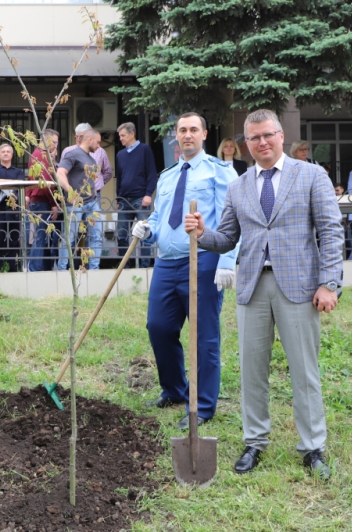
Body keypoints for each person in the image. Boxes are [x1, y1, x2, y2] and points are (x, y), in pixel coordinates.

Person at [184, 109, 343, 480]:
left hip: (301, 287)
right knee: (251, 370)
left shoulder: (310, 176)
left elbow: (331, 232)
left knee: (304, 370)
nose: (262, 143)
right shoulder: (238, 186)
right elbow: (226, 238)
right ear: (246, 143)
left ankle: (312, 447)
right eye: (254, 138)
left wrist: (329, 283)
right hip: (252, 286)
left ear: (281, 135)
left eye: (268, 135)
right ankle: (254, 441)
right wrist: (202, 233)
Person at [131, 112, 238, 429]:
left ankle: (203, 406)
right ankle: (175, 390)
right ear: (175, 136)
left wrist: (227, 262)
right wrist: (147, 229)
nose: (187, 134)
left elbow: (233, 223)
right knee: (158, 327)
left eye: (194, 129)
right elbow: (161, 217)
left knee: (203, 335)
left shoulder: (221, 172)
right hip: (166, 261)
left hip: (203, 260)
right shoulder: (167, 176)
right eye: (182, 130)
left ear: (204, 134)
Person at [61, 123, 111, 268]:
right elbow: (60, 173)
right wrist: (70, 191)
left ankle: (94, 269)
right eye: (98, 142)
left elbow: (93, 178)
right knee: (69, 238)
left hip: (91, 202)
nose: (99, 146)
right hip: (75, 203)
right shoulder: (72, 154)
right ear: (90, 139)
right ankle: (63, 270)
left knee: (97, 236)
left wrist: (94, 192)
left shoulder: (92, 159)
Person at [115, 122, 158, 268]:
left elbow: (152, 174)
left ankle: (145, 266)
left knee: (144, 234)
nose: (120, 138)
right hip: (124, 200)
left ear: (132, 134)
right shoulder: (120, 155)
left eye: (123, 135)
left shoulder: (144, 149)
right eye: (119, 136)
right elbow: (119, 178)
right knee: (121, 234)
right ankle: (124, 267)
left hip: (141, 198)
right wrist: (117, 197)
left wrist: (148, 194)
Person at [0, 143, 26, 273]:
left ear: (12, 155)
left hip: (15, 212)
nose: (5, 153)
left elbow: (22, 184)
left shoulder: (18, 171)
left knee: (14, 243)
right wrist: (11, 184)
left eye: (8, 151)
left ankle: (14, 270)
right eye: (3, 151)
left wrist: (1, 184)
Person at [27, 129, 62, 272]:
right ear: (46, 140)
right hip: (42, 201)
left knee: (45, 237)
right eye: (54, 142)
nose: (55, 146)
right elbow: (45, 182)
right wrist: (54, 204)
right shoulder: (40, 155)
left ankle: (44, 269)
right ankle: (35, 271)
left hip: (41, 199)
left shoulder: (39, 155)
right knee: (41, 237)